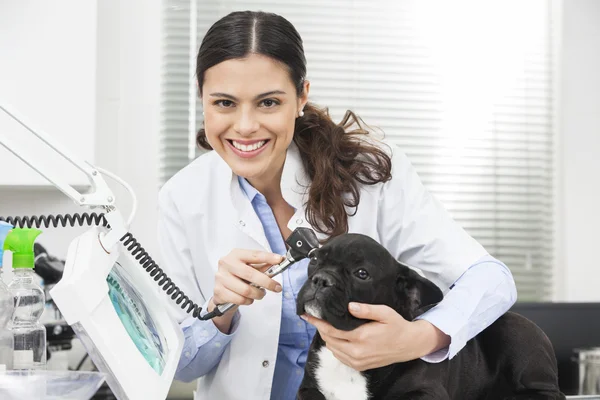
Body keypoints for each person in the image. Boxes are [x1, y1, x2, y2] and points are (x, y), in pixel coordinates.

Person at [157, 10, 517, 400]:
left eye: (268, 103)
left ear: (301, 97)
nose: (245, 126)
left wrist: (419, 338)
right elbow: (181, 366)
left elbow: (492, 279)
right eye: (225, 102)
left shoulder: (370, 175)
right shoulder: (182, 198)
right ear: (201, 98)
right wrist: (221, 308)